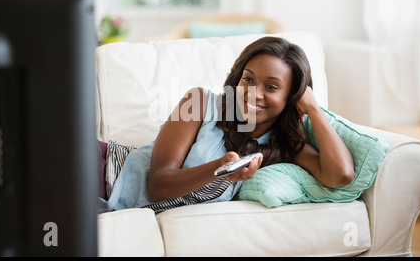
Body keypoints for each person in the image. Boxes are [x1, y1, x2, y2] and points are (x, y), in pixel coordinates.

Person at [101, 37, 354, 213]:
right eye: (248, 79)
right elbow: (158, 186)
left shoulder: (284, 147)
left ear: (292, 96)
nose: (254, 93)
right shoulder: (199, 102)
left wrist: (313, 108)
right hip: (104, 171)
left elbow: (340, 175)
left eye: (272, 87)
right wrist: (219, 169)